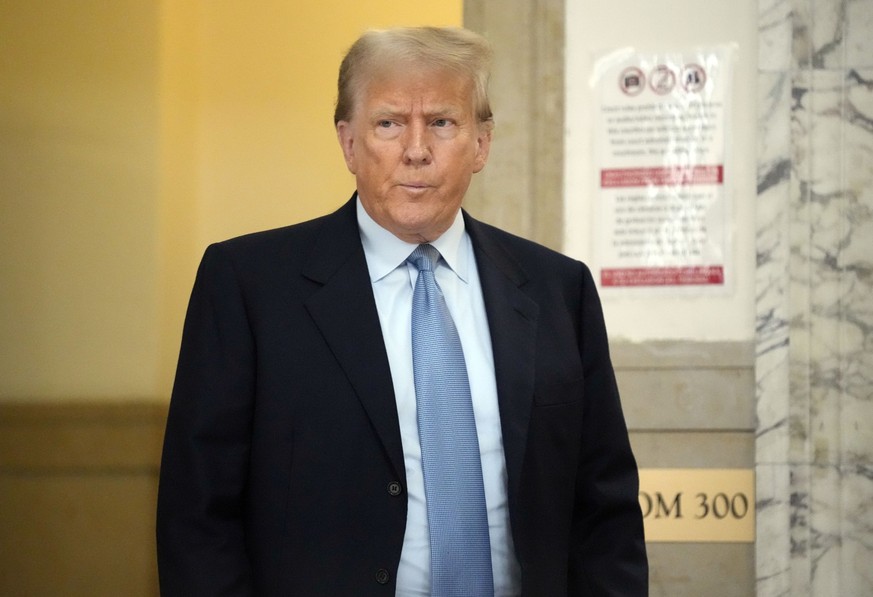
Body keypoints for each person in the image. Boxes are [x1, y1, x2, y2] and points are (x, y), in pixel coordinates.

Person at [156, 26, 647, 596]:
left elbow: (604, 509)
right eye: (388, 123)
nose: (416, 149)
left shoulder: (559, 290)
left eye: (442, 122)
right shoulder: (248, 286)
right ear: (348, 143)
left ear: (482, 143)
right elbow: (198, 517)